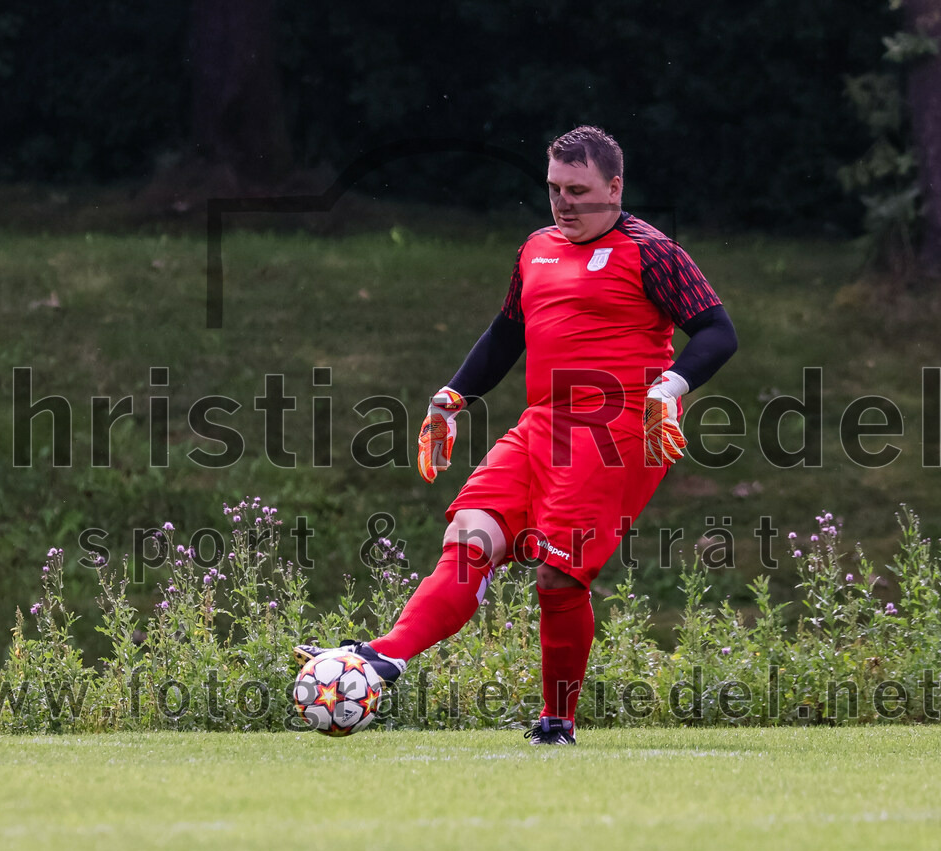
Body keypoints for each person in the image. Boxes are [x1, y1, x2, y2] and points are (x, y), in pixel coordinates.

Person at [295, 125, 738, 744]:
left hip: (615, 432)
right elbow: (507, 333)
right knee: (469, 536)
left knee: (557, 578)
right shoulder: (537, 248)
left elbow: (718, 332)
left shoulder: (652, 252)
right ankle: (386, 658)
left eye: (579, 190)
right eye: (555, 188)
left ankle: (558, 720)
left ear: (614, 187)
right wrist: (452, 397)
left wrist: (670, 387)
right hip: (540, 426)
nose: (564, 203)